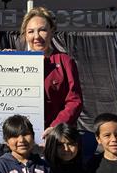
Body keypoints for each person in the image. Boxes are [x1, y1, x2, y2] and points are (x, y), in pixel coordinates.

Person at [20, 7, 83, 139]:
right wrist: (3, 59)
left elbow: (74, 101)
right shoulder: (16, 61)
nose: (36, 36)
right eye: (31, 31)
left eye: (42, 30)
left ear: (52, 31)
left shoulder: (65, 61)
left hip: (56, 137)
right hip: (21, 136)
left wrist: (55, 127)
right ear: (25, 35)